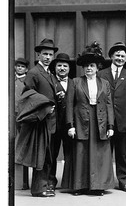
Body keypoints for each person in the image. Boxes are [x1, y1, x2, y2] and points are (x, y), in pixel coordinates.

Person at [62, 42, 115, 196]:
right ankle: (80, 186)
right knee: (81, 153)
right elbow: (70, 104)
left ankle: (98, 186)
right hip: (81, 121)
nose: (89, 68)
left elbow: (109, 105)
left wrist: (111, 126)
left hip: (100, 121)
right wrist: (70, 125)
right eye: (86, 66)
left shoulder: (104, 84)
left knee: (99, 154)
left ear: (97, 67)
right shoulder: (75, 82)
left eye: (92, 65)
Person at [98, 42, 126, 193]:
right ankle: (102, 182)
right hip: (105, 120)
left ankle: (123, 182)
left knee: (122, 153)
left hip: (124, 120)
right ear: (111, 56)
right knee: (104, 152)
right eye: (117, 55)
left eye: (123, 56)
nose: (120, 58)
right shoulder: (101, 74)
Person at [21, 38, 59, 197]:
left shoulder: (49, 72)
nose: (48, 57)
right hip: (40, 120)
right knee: (41, 155)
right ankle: (38, 188)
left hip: (50, 120)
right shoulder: (33, 72)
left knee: (48, 154)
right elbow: (28, 96)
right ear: (38, 55)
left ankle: (45, 184)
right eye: (44, 54)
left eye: (50, 54)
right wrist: (44, 107)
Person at [49, 53, 74, 189]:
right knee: (52, 154)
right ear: (55, 67)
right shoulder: (50, 81)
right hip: (54, 123)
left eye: (65, 66)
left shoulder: (74, 82)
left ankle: (69, 182)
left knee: (70, 153)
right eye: (59, 65)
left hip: (69, 125)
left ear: (69, 68)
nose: (62, 68)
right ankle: (51, 181)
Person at [14, 58, 30, 190]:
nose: (19, 68)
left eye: (22, 67)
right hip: (12, 115)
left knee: (22, 144)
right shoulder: (11, 80)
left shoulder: (27, 81)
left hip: (23, 115)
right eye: (18, 66)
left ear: (26, 69)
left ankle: (23, 182)